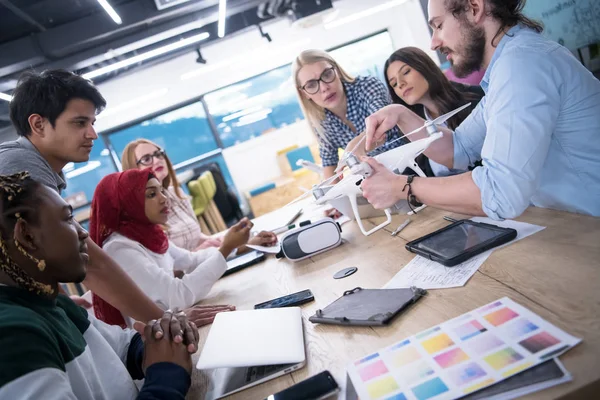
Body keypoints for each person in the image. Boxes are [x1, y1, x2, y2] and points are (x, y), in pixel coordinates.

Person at [0, 69, 227, 328]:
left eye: (92, 123)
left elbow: (29, 255)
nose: (92, 134)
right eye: (79, 123)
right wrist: (164, 319)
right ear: (38, 125)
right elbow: (93, 262)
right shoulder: (20, 165)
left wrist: (59, 297)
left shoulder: (37, 168)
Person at [362, 0, 600, 219]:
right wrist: (400, 113)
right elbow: (458, 148)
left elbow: (500, 194)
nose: (434, 42)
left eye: (439, 26)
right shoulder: (508, 67)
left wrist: (400, 186)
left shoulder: (521, 65)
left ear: (474, 8)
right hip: (573, 225)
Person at [0, 171, 196, 399]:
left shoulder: (53, 302)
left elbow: (119, 346)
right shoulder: (12, 335)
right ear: (27, 236)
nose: (83, 233)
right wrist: (167, 376)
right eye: (67, 219)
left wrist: (160, 342)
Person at [89, 169, 250, 327]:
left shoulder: (148, 234)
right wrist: (227, 248)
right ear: (126, 204)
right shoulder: (120, 249)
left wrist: (236, 245)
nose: (164, 199)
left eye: (162, 191)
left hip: (175, 329)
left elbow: (192, 260)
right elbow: (177, 297)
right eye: (152, 194)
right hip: (155, 341)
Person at [120, 139, 276, 253]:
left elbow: (197, 237)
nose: (157, 160)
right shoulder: (141, 216)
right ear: (133, 170)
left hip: (208, 262)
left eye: (158, 154)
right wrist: (209, 249)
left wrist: (246, 241)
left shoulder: (176, 193)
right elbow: (170, 268)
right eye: (147, 159)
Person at [292, 49, 408, 181]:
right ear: (304, 93)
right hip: (382, 180)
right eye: (311, 85)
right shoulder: (321, 122)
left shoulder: (366, 87)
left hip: (415, 163)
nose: (324, 87)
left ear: (338, 71)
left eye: (327, 74)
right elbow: (329, 165)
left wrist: (354, 146)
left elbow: (383, 122)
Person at [384, 46, 484, 176]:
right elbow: (416, 170)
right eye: (394, 84)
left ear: (424, 66)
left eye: (406, 72)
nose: (401, 83)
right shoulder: (413, 128)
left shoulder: (478, 99)